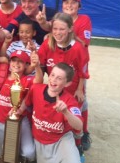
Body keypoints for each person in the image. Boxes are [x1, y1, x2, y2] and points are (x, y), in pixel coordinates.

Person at [37, 13, 89, 161]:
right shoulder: (48, 44)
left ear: (70, 29)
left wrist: (80, 89)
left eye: (62, 29)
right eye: (55, 28)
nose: (58, 32)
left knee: (73, 120)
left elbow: (82, 71)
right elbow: (40, 63)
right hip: (55, 89)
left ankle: (78, 144)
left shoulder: (78, 48)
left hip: (73, 90)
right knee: (57, 118)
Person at [16, 62, 83, 163]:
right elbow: (27, 101)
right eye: (52, 75)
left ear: (67, 83)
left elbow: (79, 125)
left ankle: (76, 151)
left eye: (59, 78)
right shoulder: (36, 89)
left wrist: (66, 112)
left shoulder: (69, 101)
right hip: (40, 139)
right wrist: (20, 110)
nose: (53, 80)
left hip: (60, 140)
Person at [0, 50, 43, 163]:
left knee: (29, 154)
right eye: (14, 60)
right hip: (3, 121)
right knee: (5, 153)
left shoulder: (26, 80)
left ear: (27, 65)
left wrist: (36, 66)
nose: (16, 64)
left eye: (20, 62)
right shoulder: (2, 76)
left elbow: (39, 80)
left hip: (21, 120)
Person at [61, 0, 92, 151]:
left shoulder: (84, 19)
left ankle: (83, 132)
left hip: (79, 64)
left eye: (73, 2)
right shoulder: (60, 19)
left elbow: (84, 43)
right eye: (66, 2)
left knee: (80, 98)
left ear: (79, 5)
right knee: (63, 95)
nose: (69, 5)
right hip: (64, 62)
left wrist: (70, 33)